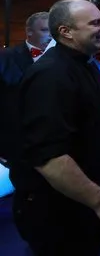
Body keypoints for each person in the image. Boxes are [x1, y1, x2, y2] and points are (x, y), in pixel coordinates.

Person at [10, 0, 100, 256]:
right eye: (95, 23)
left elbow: (88, 125)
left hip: (80, 197)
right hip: (56, 209)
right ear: (66, 31)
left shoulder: (86, 65)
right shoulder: (50, 74)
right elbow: (49, 157)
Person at [0, 11, 50, 165]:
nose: (50, 36)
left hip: (55, 143)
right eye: (45, 30)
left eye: (53, 31)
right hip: (16, 143)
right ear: (29, 31)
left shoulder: (66, 59)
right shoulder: (5, 57)